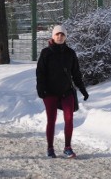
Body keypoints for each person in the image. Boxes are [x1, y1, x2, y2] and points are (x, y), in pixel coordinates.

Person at [36, 25, 88, 159]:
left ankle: (67, 147)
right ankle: (50, 148)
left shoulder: (70, 53)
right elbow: (40, 73)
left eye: (62, 35)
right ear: (53, 36)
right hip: (50, 92)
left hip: (66, 91)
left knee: (69, 119)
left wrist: (82, 89)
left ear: (65, 37)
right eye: (57, 35)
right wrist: (40, 89)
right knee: (51, 120)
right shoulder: (46, 53)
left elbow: (76, 73)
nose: (60, 37)